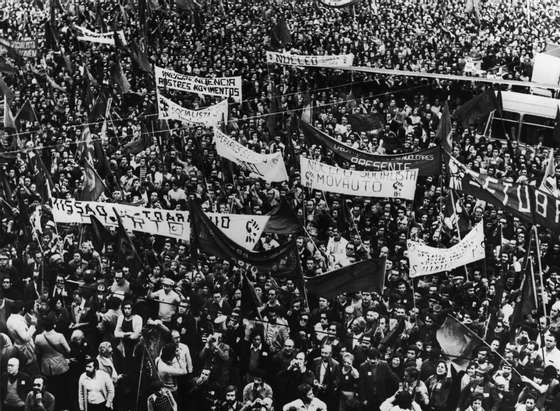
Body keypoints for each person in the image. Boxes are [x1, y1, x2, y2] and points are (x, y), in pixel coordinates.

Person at [33, 316, 70, 409]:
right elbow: (68, 350)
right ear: (53, 325)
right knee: (62, 387)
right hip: (60, 364)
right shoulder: (59, 336)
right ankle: (63, 406)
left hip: (46, 366)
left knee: (51, 387)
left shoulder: (38, 338)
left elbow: (36, 351)